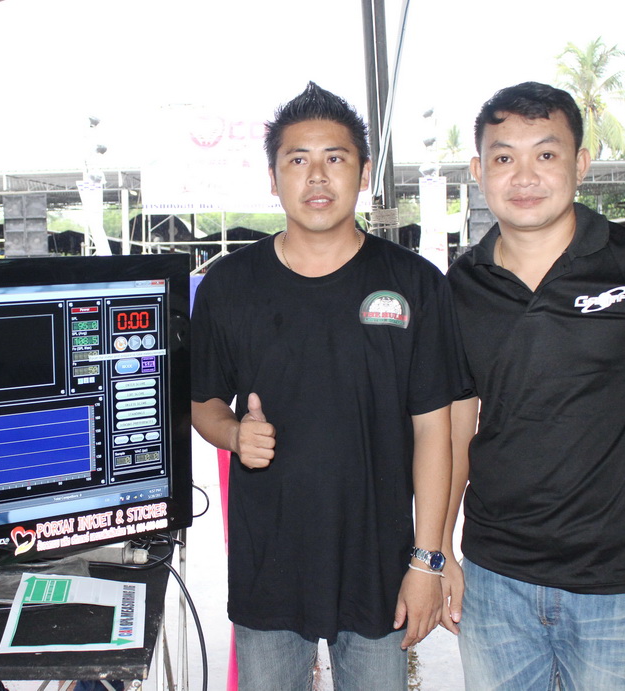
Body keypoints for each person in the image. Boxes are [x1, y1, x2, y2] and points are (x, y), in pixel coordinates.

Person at [441, 81, 625, 690]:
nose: (524, 176)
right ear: (478, 170)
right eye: (503, 157)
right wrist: (440, 552)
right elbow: (456, 431)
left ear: (581, 164)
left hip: (614, 578)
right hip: (496, 574)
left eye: (546, 154)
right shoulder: (461, 287)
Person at [191, 82, 468, 690]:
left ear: (363, 173)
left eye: (335, 158)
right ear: (273, 178)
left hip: (380, 566)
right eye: (298, 160)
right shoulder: (229, 286)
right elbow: (203, 403)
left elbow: (435, 431)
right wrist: (234, 434)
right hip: (269, 566)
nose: (317, 176)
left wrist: (428, 560)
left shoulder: (416, 284)